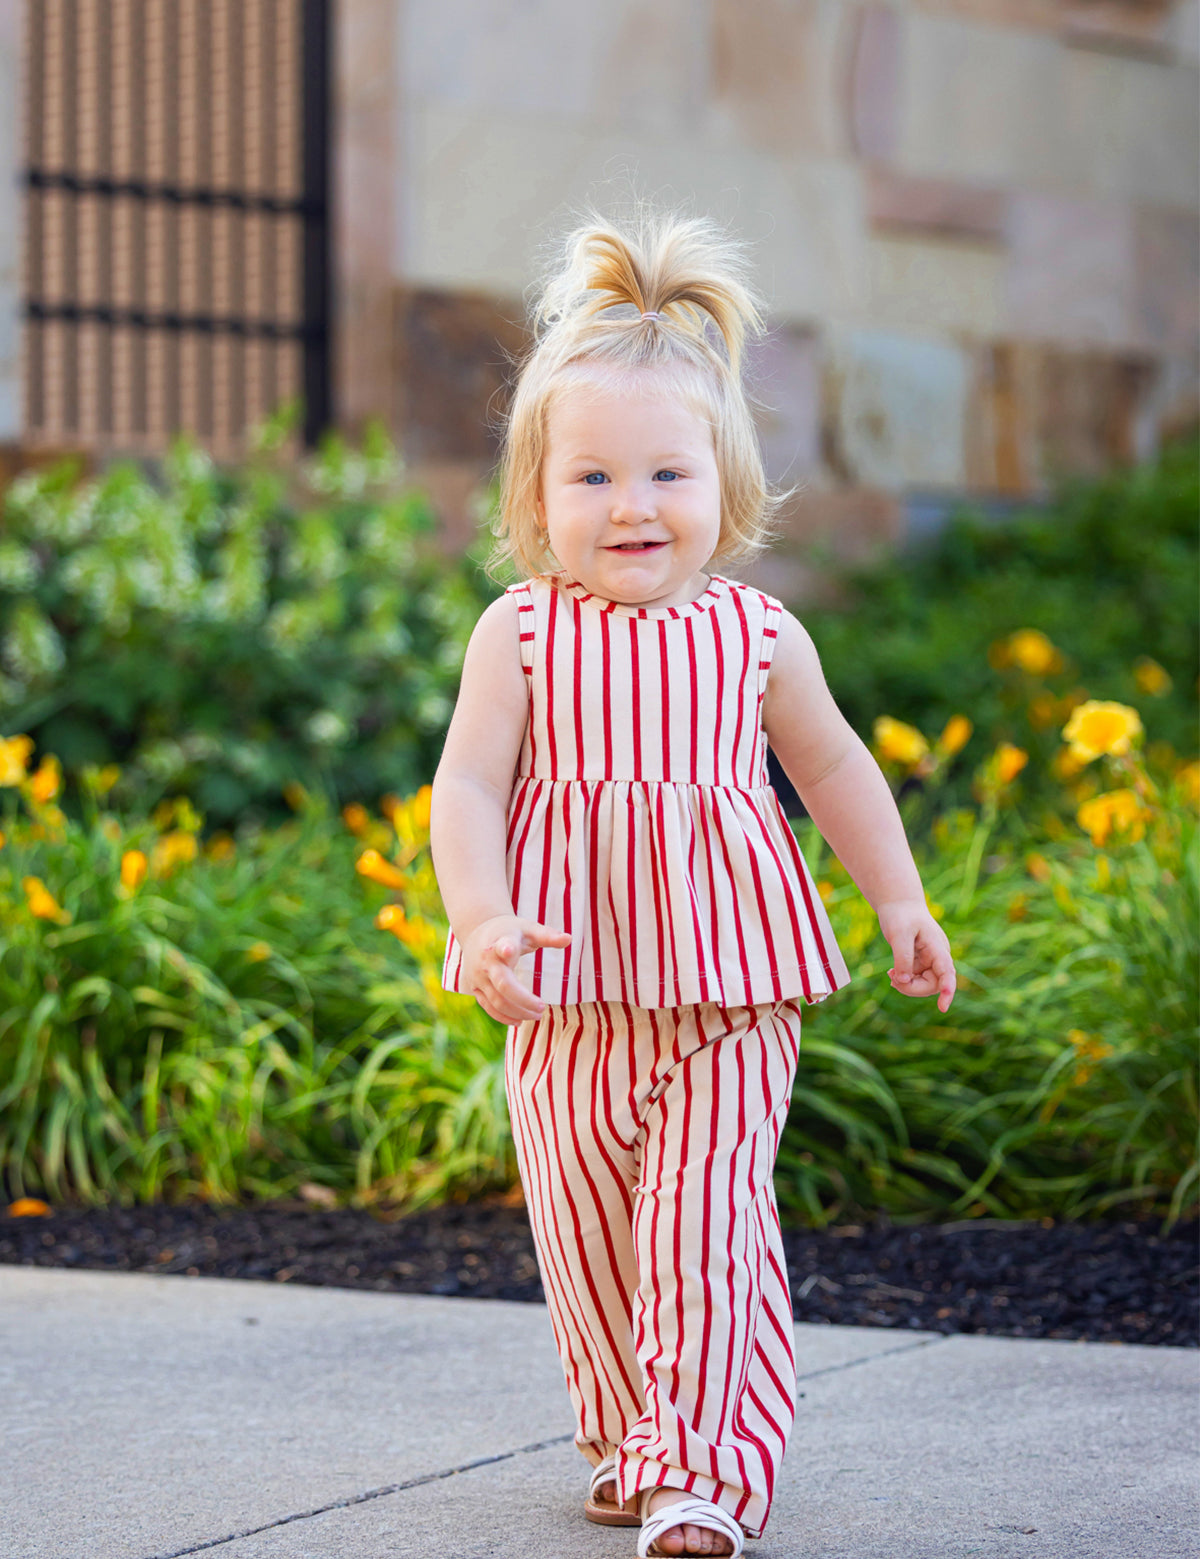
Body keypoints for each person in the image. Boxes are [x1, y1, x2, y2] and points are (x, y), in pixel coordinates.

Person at [429, 206, 956, 1559]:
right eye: (591, 478)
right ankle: (631, 1432)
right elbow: (471, 787)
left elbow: (834, 773)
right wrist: (481, 917)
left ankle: (710, 1464)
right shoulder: (522, 633)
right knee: (590, 1235)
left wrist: (897, 898)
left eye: (667, 475)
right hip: (569, 1000)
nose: (632, 507)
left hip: (730, 990)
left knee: (706, 1226)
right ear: (535, 500)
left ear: (727, 488)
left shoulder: (758, 635)